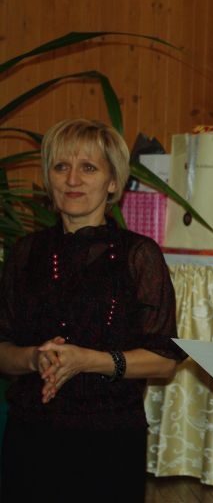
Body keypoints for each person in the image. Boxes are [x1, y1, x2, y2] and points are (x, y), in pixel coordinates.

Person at [0, 119, 186, 502]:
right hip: (31, 434)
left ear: (113, 181)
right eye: (61, 167)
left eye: (88, 167)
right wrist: (34, 358)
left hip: (109, 438)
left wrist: (88, 360)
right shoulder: (24, 253)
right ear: (48, 178)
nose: (73, 179)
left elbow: (164, 361)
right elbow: (2, 350)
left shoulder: (139, 255)